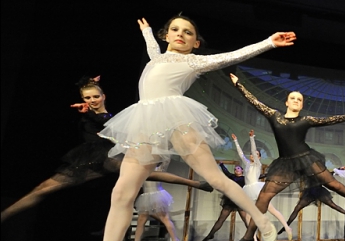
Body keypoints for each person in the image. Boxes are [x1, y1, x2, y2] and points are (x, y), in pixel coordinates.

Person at [83, 15, 297, 241]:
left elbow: (231, 55)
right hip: (145, 124)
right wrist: (147, 32)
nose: (180, 34)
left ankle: (261, 218)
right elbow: (153, 54)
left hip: (178, 122)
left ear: (196, 43)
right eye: (174, 30)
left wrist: (269, 42)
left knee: (215, 178)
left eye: (188, 32)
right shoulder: (157, 57)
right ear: (166, 35)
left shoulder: (193, 61)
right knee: (121, 193)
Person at [0, 75, 213, 224]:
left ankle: (195, 182)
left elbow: (105, 124)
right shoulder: (90, 113)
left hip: (105, 158)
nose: (91, 101)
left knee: (148, 173)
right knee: (42, 189)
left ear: (104, 97)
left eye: (95, 96)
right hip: (90, 162)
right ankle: (6, 215)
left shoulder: (109, 118)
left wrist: (89, 112)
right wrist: (85, 107)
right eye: (87, 98)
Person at [226, 73, 345, 241]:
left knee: (332, 183)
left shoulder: (306, 120)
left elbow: (327, 120)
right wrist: (238, 84)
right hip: (286, 165)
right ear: (287, 102)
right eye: (292, 98)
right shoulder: (274, 116)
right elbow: (255, 102)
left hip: (306, 158)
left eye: (299, 99)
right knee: (263, 196)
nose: (296, 101)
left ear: (301, 105)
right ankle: (249, 237)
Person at [231, 130, 292, 241]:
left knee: (272, 210)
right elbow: (241, 154)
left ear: (258, 157)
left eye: (256, 155)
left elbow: (254, 151)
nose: (252, 155)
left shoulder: (257, 164)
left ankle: (287, 227)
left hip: (257, 189)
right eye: (252, 155)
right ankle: (254, 239)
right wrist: (235, 141)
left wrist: (252, 138)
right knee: (248, 215)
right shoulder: (247, 164)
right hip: (248, 190)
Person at [130, 163, 181, 241]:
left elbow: (166, 159)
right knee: (141, 221)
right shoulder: (142, 169)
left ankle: (175, 240)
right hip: (146, 196)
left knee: (164, 219)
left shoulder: (158, 168)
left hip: (157, 195)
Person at [199, 163, 249, 241]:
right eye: (235, 169)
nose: (236, 170)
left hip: (240, 200)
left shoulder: (245, 178)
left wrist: (266, 175)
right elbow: (226, 172)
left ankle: (254, 237)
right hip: (230, 200)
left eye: (238, 168)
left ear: (242, 170)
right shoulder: (232, 176)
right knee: (221, 219)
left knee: (246, 220)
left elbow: (256, 177)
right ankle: (210, 235)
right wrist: (222, 165)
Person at [277, 184, 345, 236]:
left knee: (333, 205)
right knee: (297, 208)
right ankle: (286, 226)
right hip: (310, 192)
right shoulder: (309, 170)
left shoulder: (320, 171)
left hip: (319, 191)